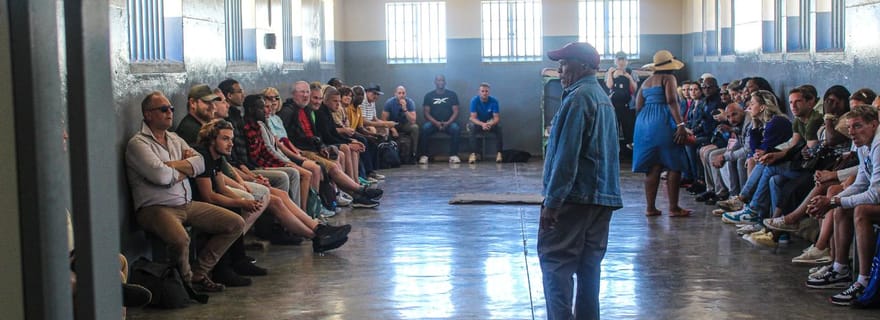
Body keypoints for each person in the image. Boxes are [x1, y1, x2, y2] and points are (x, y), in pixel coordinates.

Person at [125, 91, 245, 292]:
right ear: (148, 114)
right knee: (180, 240)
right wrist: (184, 168)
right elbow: (160, 177)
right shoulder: (138, 144)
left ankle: (199, 273)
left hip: (186, 204)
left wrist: (171, 166)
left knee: (235, 223)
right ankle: (186, 284)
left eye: (171, 109)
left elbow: (200, 163)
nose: (170, 112)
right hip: (156, 208)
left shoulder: (174, 138)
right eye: (163, 109)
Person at [539, 42, 623, 320]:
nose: (560, 69)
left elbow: (567, 156)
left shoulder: (577, 99)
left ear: (585, 66)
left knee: (556, 262)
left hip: (575, 198)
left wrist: (553, 202)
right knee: (589, 268)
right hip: (602, 199)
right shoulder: (601, 97)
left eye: (565, 63)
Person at [632, 50, 691, 217]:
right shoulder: (669, 78)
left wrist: (644, 125)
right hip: (664, 121)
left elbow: (638, 106)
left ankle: (650, 208)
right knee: (674, 163)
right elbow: (672, 100)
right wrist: (680, 124)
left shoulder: (647, 81)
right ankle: (673, 208)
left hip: (644, 123)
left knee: (652, 167)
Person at [419, 74, 462, 164]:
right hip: (433, 123)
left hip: (448, 122)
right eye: (438, 80)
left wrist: (448, 122)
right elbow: (426, 113)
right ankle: (424, 156)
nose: (440, 82)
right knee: (425, 128)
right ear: (435, 82)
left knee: (456, 129)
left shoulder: (452, 94)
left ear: (445, 82)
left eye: (442, 80)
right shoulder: (429, 95)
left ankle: (453, 155)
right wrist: (436, 123)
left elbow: (456, 111)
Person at [605, 51, 639, 152]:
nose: (621, 62)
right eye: (619, 59)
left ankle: (631, 153)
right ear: (615, 61)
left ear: (627, 61)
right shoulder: (610, 72)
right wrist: (611, 74)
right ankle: (613, 151)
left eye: (623, 59)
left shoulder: (632, 72)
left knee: (629, 130)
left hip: (628, 106)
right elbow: (609, 86)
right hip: (614, 106)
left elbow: (634, 89)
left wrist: (628, 77)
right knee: (613, 129)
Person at [467, 83, 503, 164]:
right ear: (479, 92)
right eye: (482, 91)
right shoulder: (474, 100)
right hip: (478, 123)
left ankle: (499, 153)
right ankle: (473, 154)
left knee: (499, 127)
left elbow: (496, 118)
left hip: (489, 123)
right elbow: (472, 117)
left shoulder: (494, 101)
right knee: (471, 127)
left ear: (489, 92)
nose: (484, 93)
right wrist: (482, 124)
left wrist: (490, 124)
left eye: (486, 91)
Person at [382, 85, 419, 163]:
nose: (401, 95)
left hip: (405, 124)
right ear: (395, 94)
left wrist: (405, 109)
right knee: (384, 129)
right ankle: (390, 156)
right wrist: (392, 129)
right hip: (393, 124)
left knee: (415, 127)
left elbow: (413, 120)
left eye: (403, 93)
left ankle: (413, 155)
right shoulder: (389, 102)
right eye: (399, 93)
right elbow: (384, 119)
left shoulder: (410, 102)